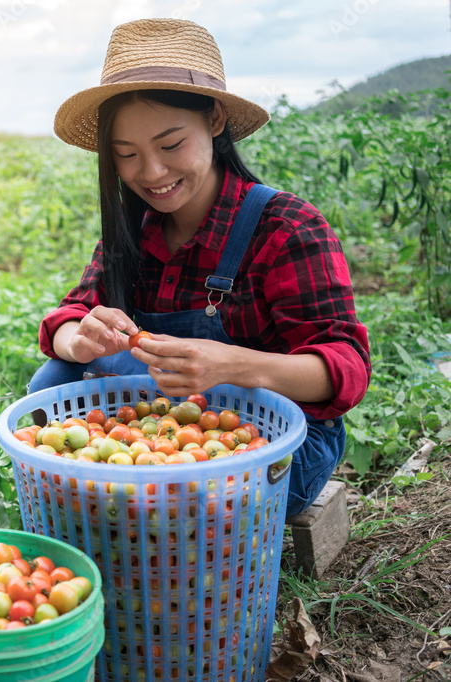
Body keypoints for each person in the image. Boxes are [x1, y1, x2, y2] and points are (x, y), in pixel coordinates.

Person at [29, 18, 371, 518]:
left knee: (185, 500)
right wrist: (78, 337)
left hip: (273, 441)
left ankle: (131, 512)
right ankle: (134, 509)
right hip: (168, 431)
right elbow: (68, 317)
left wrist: (232, 365)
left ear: (214, 120)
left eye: (170, 146)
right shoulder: (135, 231)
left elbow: (346, 367)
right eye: (127, 155)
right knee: (51, 380)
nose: (151, 173)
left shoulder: (285, 228)